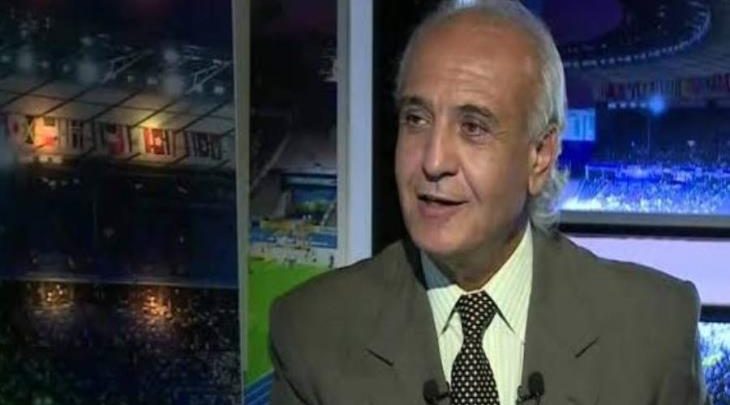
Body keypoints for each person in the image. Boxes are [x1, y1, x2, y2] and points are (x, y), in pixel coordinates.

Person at [268, 1, 708, 404]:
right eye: (416, 119)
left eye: (473, 127)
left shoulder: (655, 331)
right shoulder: (312, 335)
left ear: (540, 156)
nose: (433, 161)